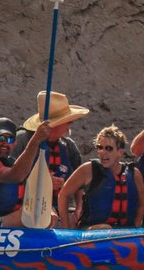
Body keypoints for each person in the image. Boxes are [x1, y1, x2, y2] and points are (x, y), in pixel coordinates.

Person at [12, 91, 88, 223]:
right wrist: (44, 183)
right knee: (50, 217)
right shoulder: (23, 141)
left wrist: (79, 208)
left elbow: (80, 186)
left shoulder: (69, 147)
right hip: (26, 207)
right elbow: (10, 178)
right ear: (56, 124)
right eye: (67, 121)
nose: (70, 124)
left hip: (60, 208)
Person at [57, 125, 144, 229]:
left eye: (108, 148)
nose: (103, 152)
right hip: (92, 231)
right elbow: (63, 195)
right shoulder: (88, 170)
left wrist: (137, 228)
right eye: (100, 147)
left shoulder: (134, 174)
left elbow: (141, 205)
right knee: (106, 228)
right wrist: (65, 227)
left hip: (124, 234)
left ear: (120, 152)